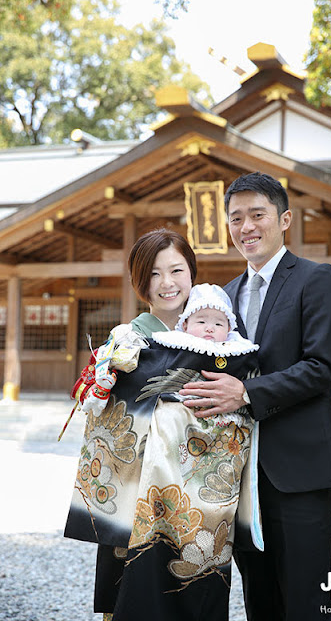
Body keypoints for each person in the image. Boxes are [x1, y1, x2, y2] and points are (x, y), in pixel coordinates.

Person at [64, 231, 260, 621]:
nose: (168, 283)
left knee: (196, 583)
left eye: (177, 270)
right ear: (141, 282)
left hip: (203, 501)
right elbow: (102, 413)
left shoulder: (224, 337)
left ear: (192, 273)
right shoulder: (128, 339)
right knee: (133, 595)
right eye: (154, 274)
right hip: (138, 494)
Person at [180, 172, 331, 621]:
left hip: (297, 473)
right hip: (237, 476)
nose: (246, 227)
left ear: (285, 219)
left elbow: (321, 367)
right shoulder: (225, 297)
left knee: (307, 602)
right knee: (260, 601)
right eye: (236, 219)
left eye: (258, 215)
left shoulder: (317, 279)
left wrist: (246, 392)